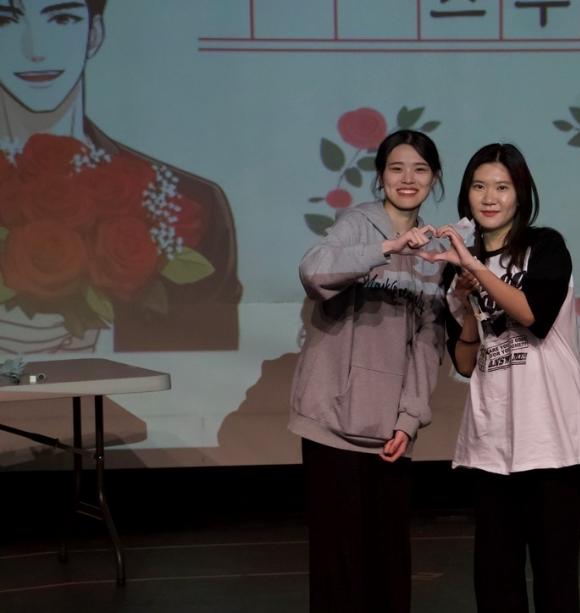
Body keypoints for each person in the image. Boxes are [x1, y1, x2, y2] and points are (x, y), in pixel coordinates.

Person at [0, 0, 241, 352]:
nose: (35, 50)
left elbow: (212, 355)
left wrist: (101, 339)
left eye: (62, 18)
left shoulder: (191, 203)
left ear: (94, 34)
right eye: (5, 21)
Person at [424, 143, 580, 612]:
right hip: (492, 442)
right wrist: (466, 305)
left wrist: (475, 269)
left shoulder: (545, 246)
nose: (490, 197)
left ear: (521, 194)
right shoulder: (456, 271)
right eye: (479, 186)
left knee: (555, 580)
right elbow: (465, 363)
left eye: (502, 187)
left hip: (553, 440)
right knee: (495, 582)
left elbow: (532, 315)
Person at [289, 129, 446, 613]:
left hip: (389, 432)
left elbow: (428, 343)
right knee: (337, 566)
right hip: (330, 420)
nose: (408, 178)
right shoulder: (358, 224)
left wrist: (409, 419)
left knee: (388, 564)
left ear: (434, 178)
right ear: (381, 176)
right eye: (397, 168)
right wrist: (387, 247)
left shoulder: (434, 253)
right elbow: (314, 272)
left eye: (420, 169)